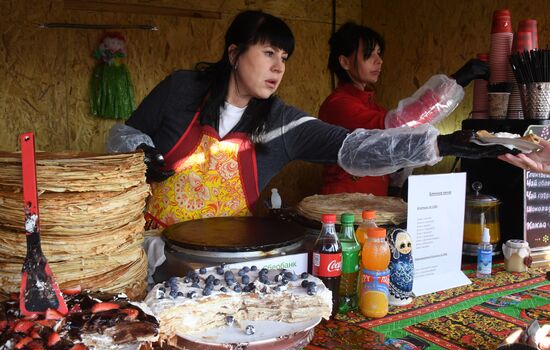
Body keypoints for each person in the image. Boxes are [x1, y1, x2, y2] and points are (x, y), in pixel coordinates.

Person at [106, 10, 509, 229]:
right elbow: (126, 134)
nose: (278, 67)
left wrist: (439, 144)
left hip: (225, 253)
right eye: (268, 53)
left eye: (284, 58)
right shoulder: (182, 89)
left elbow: (357, 146)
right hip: (151, 248)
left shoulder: (281, 122)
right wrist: (138, 152)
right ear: (233, 54)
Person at [319, 22, 490, 196]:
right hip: (343, 208)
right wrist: (456, 81)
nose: (379, 61)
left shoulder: (373, 106)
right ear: (345, 62)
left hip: (374, 208)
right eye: (369, 54)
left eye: (379, 53)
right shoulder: (338, 105)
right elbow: (399, 126)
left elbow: (395, 145)